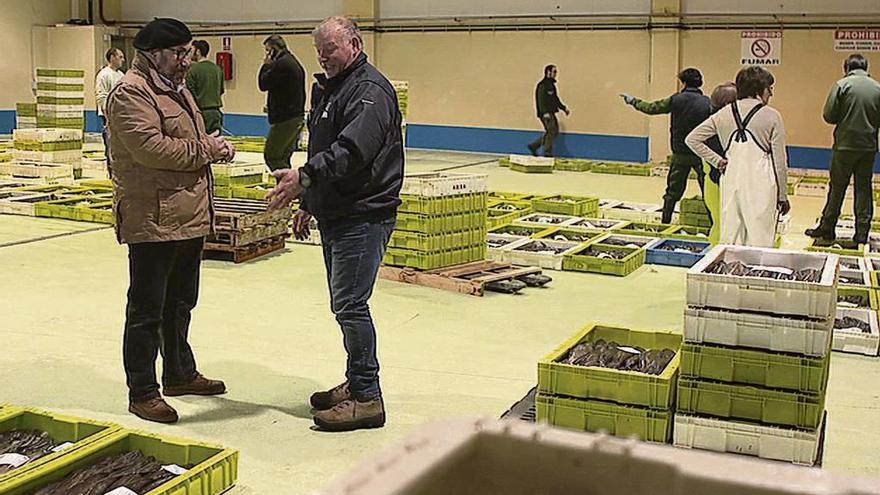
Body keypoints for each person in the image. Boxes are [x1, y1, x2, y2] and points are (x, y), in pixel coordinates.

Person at [267, 16, 403, 432]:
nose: (323, 57)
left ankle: (367, 398)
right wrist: (309, 202)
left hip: (363, 214)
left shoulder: (370, 93)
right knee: (345, 304)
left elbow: (352, 152)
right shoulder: (334, 88)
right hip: (339, 211)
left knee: (350, 305)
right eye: (319, 50)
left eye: (330, 48)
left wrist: (303, 177)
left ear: (355, 45)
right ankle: (357, 380)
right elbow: (325, 145)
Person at [106, 18, 235, 424]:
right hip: (153, 217)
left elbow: (186, 141)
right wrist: (207, 149)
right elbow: (152, 149)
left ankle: (179, 373)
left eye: (187, 53)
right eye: (178, 54)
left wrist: (212, 145)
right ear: (152, 54)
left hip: (186, 215)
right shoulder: (131, 93)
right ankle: (142, 391)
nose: (186, 61)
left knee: (180, 303)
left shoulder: (176, 89)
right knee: (146, 309)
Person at [686, 66, 790, 248]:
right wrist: (782, 196)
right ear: (760, 88)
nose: (771, 94)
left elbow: (692, 139)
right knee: (760, 236)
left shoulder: (722, 114)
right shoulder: (772, 116)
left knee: (731, 234)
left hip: (731, 180)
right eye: (770, 88)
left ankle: (729, 272)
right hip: (762, 184)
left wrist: (717, 161)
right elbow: (779, 162)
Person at [806, 54, 880, 246]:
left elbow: (829, 115)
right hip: (868, 147)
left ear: (846, 67)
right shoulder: (877, 88)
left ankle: (827, 228)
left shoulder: (842, 85)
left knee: (837, 188)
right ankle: (862, 233)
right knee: (864, 189)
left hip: (845, 146)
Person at [621, 68, 711, 224]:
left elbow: (652, 108)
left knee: (672, 192)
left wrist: (633, 101)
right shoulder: (708, 103)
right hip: (701, 155)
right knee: (708, 192)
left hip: (679, 154)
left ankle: (665, 222)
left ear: (683, 82)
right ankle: (713, 224)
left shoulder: (676, 100)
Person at [259, 34, 306, 171]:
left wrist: (265, 66)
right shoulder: (292, 61)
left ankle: (287, 187)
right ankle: (288, 191)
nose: (267, 54)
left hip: (286, 119)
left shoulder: (281, 64)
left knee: (272, 156)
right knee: (283, 157)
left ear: (274, 49)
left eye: (268, 50)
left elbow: (263, 84)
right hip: (295, 116)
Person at [702, 82, 739, 244]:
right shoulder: (719, 125)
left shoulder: (712, 122)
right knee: (723, 225)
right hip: (718, 183)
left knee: (719, 223)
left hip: (712, 183)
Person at [528, 64, 570, 157]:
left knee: (554, 132)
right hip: (545, 113)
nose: (556, 74)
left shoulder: (551, 85)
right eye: (554, 72)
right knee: (551, 131)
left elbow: (555, 99)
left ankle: (534, 145)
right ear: (548, 72)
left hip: (551, 112)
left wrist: (563, 108)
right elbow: (540, 100)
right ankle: (547, 152)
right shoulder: (542, 85)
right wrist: (544, 112)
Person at [186, 39, 225, 134]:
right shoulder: (217, 69)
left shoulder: (192, 70)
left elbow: (189, 93)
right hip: (216, 113)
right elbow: (221, 90)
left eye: (192, 51)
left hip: (200, 113)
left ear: (198, 51)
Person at [96, 47, 125, 156]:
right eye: (120, 57)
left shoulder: (121, 75)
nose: (123, 60)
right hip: (109, 115)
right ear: (112, 58)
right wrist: (107, 116)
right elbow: (101, 96)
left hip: (120, 114)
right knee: (111, 145)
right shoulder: (104, 75)